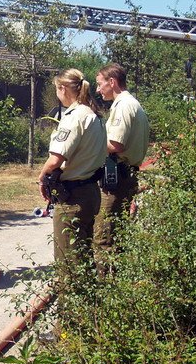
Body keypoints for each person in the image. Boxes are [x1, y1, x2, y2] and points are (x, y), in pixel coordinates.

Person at [37, 69, 106, 269]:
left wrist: (42, 179)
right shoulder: (94, 114)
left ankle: (70, 299)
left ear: (63, 88)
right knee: (84, 256)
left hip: (73, 197)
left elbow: (55, 160)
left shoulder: (74, 117)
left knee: (69, 262)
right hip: (90, 191)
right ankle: (88, 299)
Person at [93, 63, 150, 265]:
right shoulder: (132, 104)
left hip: (117, 179)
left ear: (112, 82)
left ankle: (105, 288)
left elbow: (115, 144)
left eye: (100, 84)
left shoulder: (124, 105)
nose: (98, 90)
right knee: (117, 234)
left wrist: (88, 145)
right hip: (125, 175)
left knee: (104, 237)